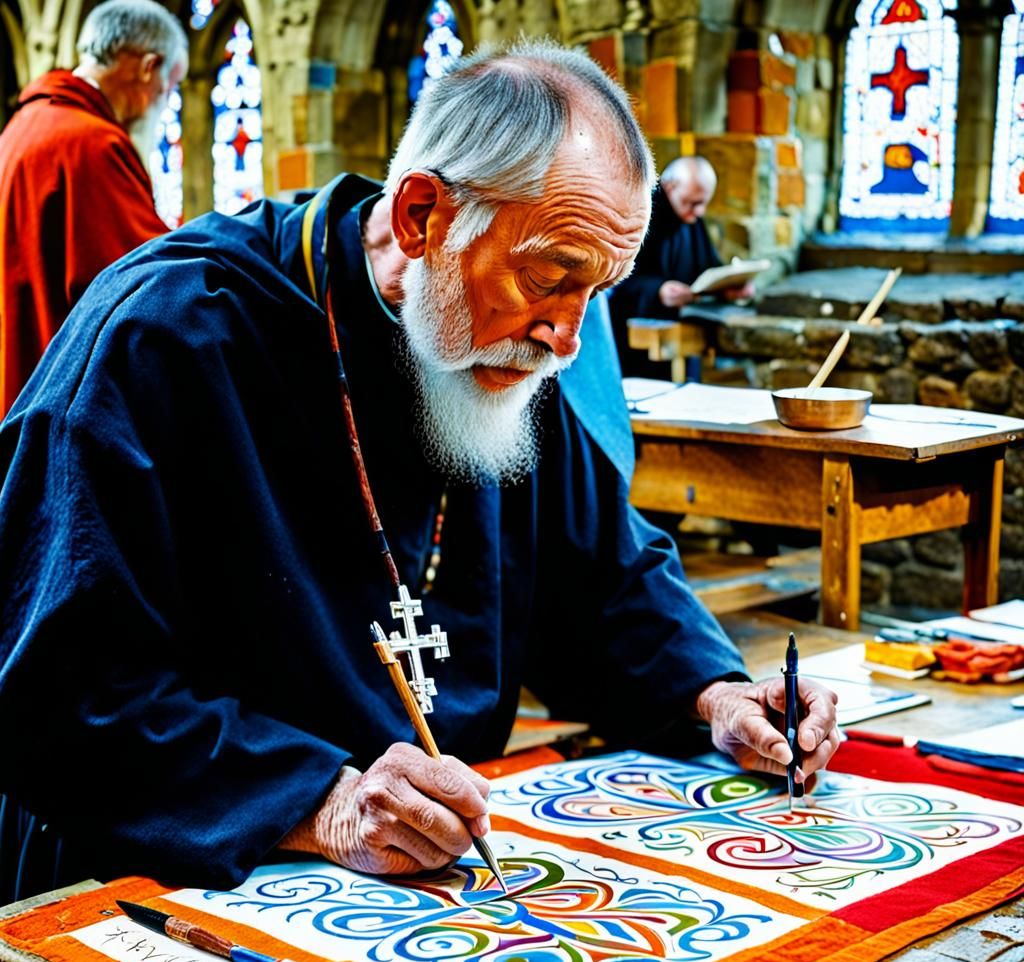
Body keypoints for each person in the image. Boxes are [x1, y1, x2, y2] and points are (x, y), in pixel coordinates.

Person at [0, 41, 839, 912]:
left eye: (597, 292)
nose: (567, 341)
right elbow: (56, 693)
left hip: (425, 874)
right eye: (547, 279)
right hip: (165, 870)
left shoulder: (511, 348)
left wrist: (718, 694)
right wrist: (319, 801)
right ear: (421, 216)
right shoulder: (161, 336)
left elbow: (601, 577)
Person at [0, 0, 188, 415]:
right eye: (169, 88)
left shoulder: (21, 127)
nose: (163, 103)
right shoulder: (91, 144)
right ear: (149, 68)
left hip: (17, 386)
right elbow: (147, 285)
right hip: (61, 408)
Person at [609, 156, 753, 378]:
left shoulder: (691, 218)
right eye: (693, 203)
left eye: (704, 203)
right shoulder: (637, 213)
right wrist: (658, 291)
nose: (700, 212)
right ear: (670, 186)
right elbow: (614, 282)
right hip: (636, 346)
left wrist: (730, 287)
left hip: (682, 336)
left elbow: (707, 271)